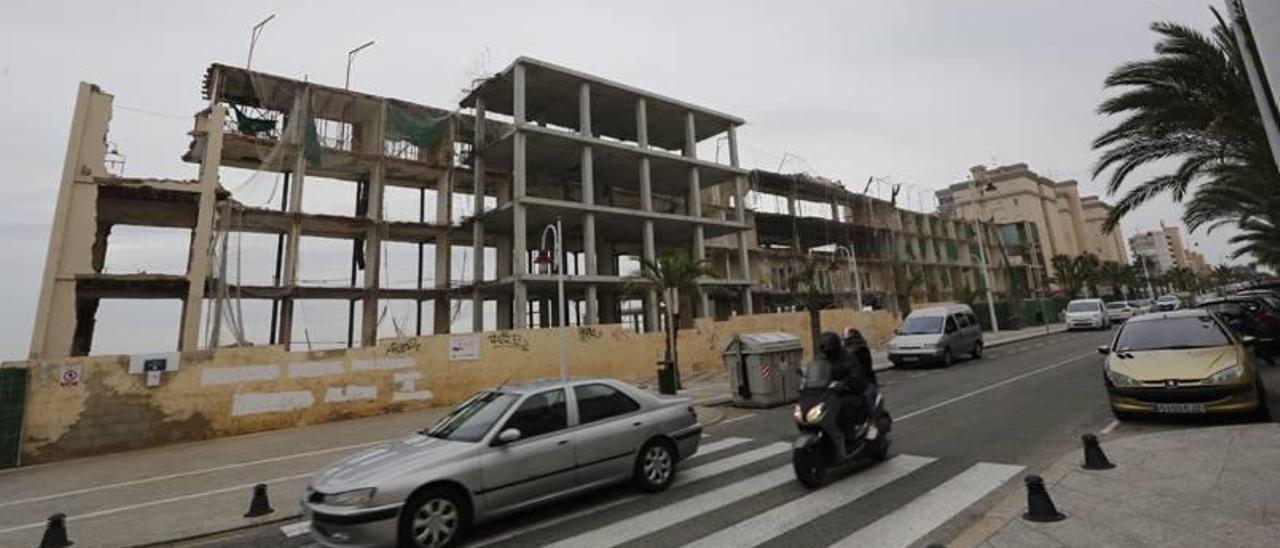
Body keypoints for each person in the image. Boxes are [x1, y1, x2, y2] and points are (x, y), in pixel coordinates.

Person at [843, 327, 880, 422]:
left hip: (866, 382)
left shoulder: (863, 350)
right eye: (847, 341)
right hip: (849, 384)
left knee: (867, 396)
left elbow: (866, 368)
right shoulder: (843, 354)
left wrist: (856, 377)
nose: (850, 344)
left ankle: (873, 421)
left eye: (851, 340)